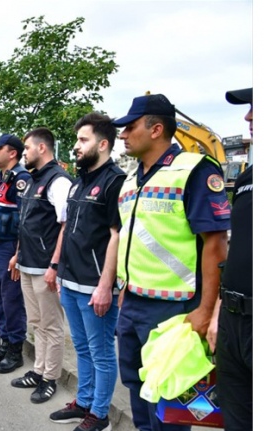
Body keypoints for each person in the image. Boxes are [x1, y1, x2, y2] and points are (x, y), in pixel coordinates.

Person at [112, 94, 230, 431]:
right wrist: (124, 286)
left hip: (174, 310)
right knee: (138, 391)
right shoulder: (130, 181)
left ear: (156, 129)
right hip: (133, 303)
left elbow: (216, 243)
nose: (123, 134)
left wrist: (207, 310)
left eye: (129, 127)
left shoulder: (193, 170)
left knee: (168, 405)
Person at [47, 113, 126, 431]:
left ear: (103, 144)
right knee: (80, 347)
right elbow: (69, 229)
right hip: (71, 281)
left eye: (84, 139)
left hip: (95, 286)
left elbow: (116, 235)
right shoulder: (80, 181)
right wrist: (58, 270)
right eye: (77, 139)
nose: (76, 146)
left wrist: (106, 285)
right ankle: (84, 401)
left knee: (102, 351)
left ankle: (100, 413)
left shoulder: (114, 181)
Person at [9, 127, 72, 403]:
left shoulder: (58, 180)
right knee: (36, 322)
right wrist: (17, 255)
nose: (25, 154)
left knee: (52, 325)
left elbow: (65, 225)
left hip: (45, 267)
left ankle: (50, 378)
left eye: (27, 149)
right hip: (27, 263)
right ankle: (38, 370)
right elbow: (27, 223)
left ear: (42, 148)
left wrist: (55, 265)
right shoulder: (35, 180)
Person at [206, 87, 252, 431]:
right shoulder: (249, 176)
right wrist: (220, 311)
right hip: (235, 322)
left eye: (256, 108)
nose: (248, 117)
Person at [0, 133, 31, 374]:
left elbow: (25, 221)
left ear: (12, 153)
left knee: (11, 299)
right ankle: (3, 340)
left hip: (9, 247)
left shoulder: (20, 179)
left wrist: (18, 255)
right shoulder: (0, 178)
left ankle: (14, 350)